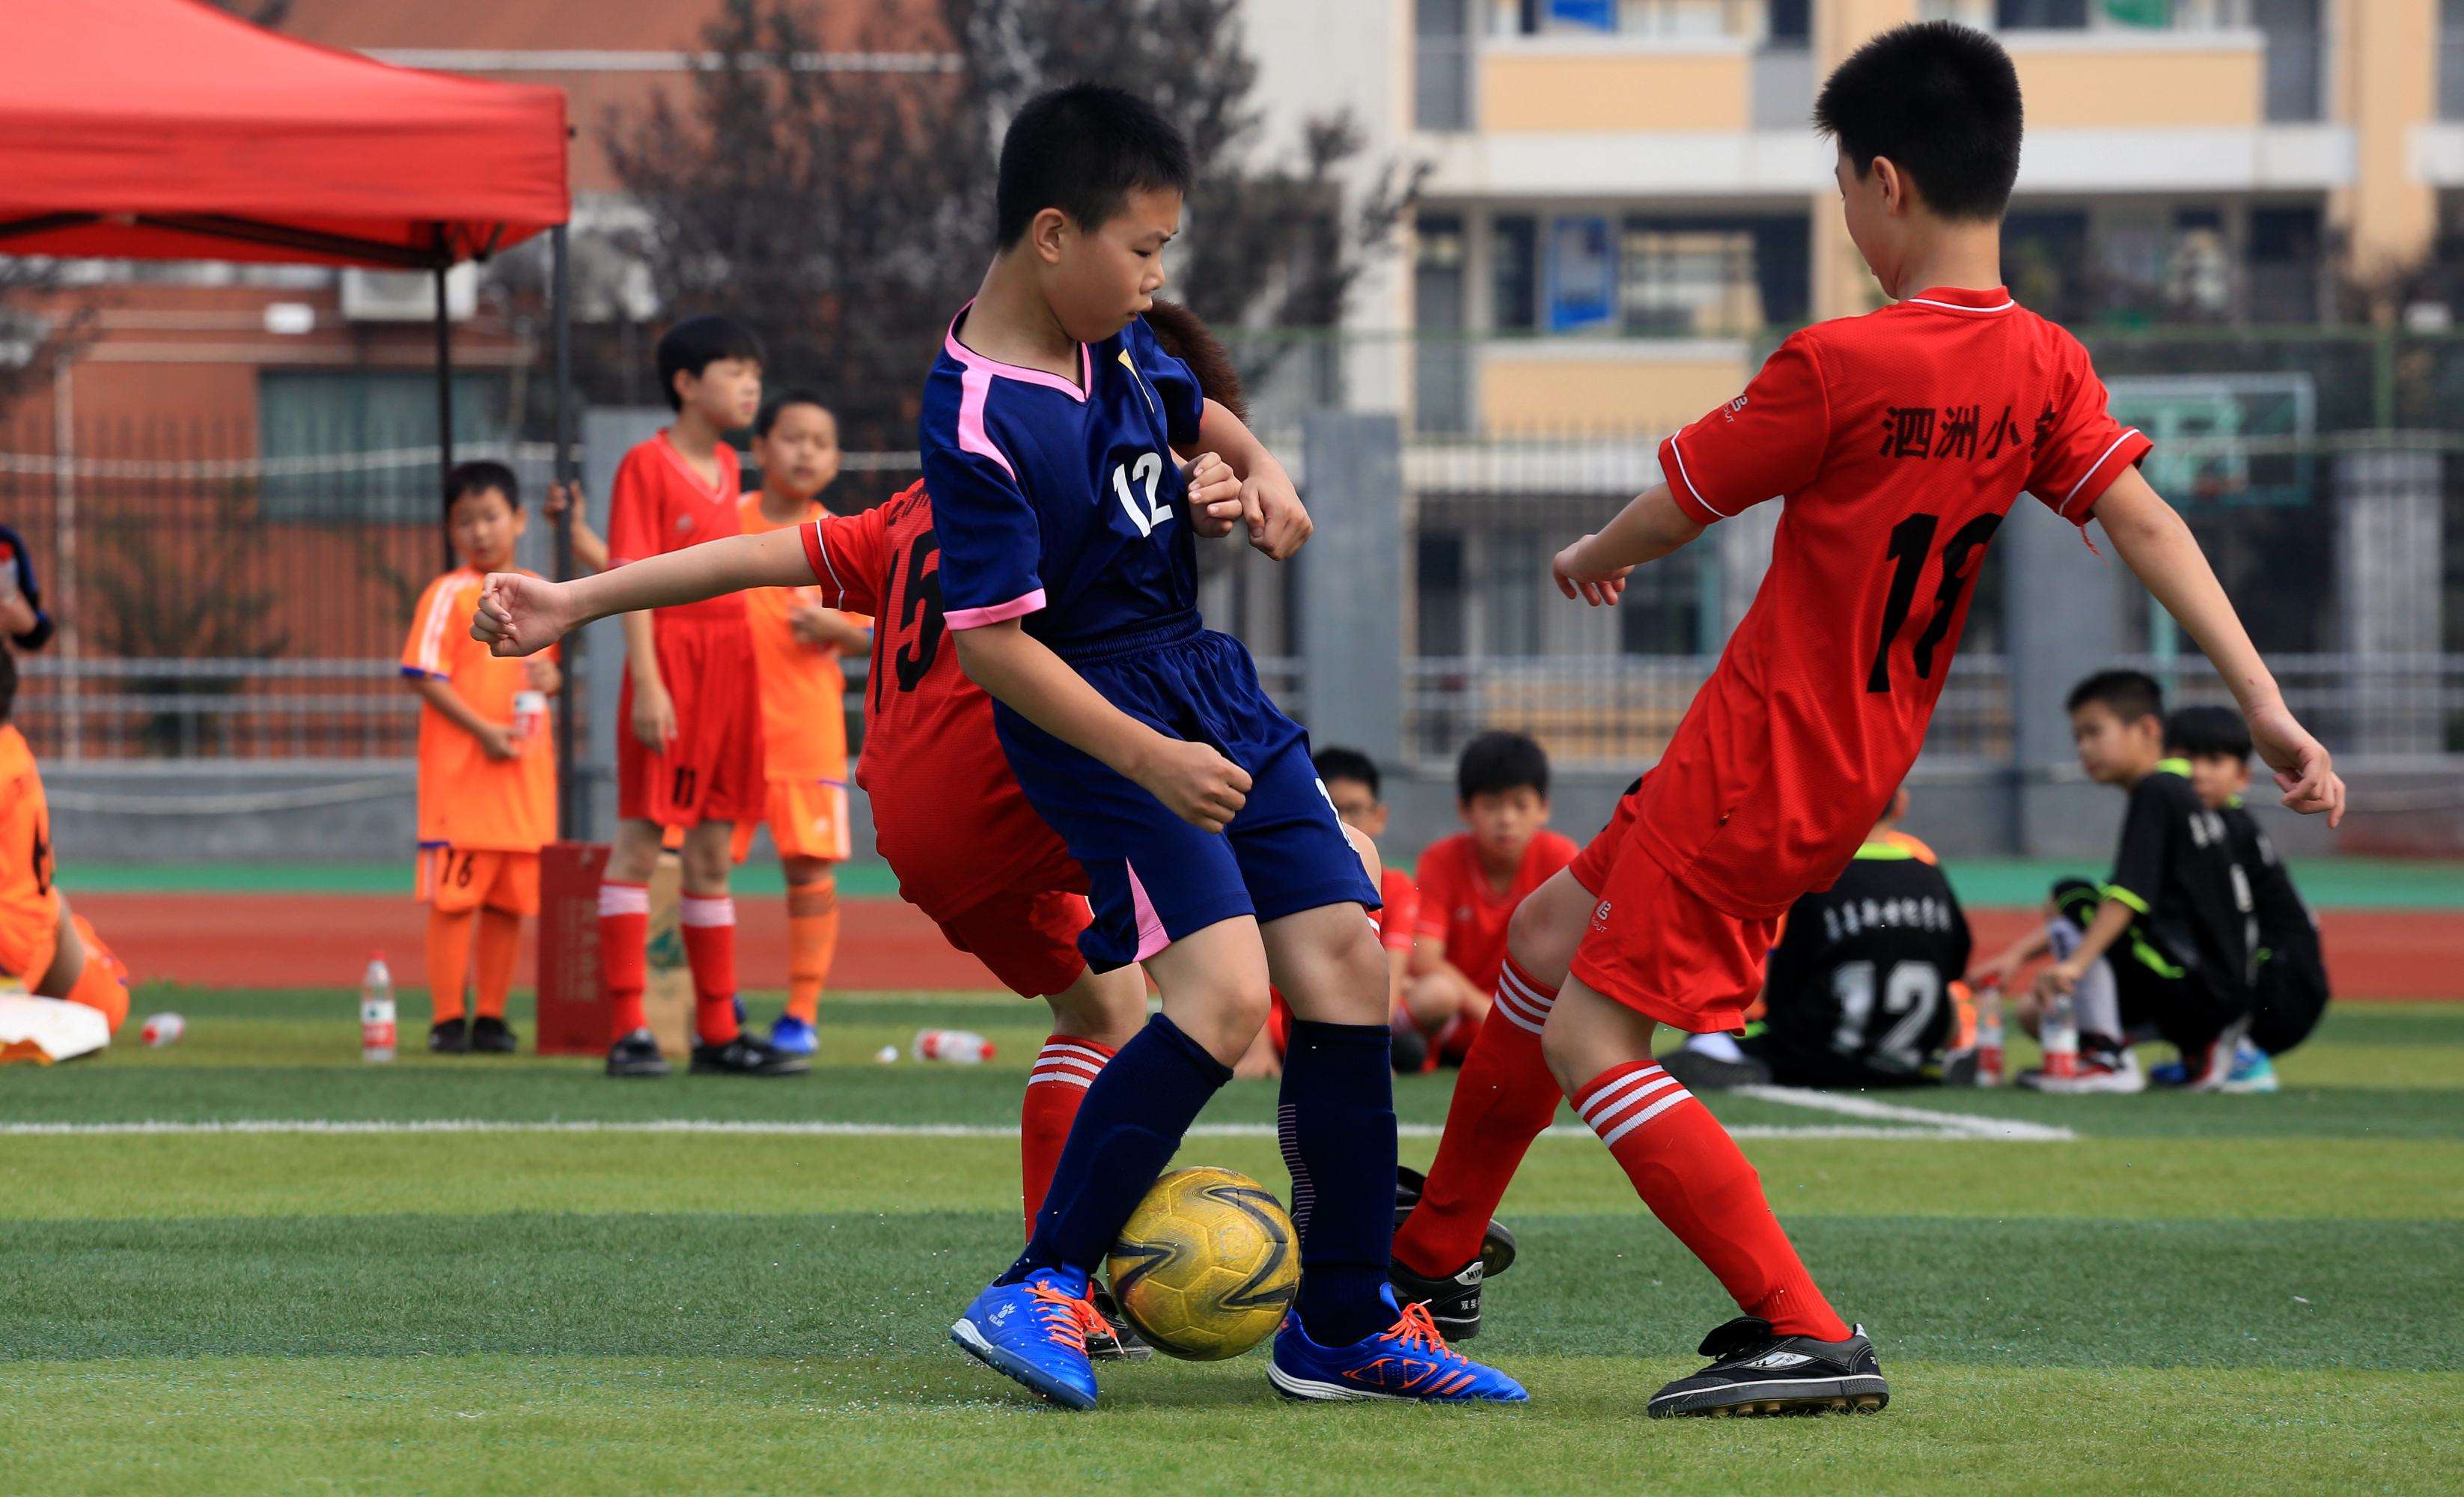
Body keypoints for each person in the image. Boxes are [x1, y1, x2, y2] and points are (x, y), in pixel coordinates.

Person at [1390, 22, 2344, 1415]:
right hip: (1842, 763)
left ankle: (1803, 1326)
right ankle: (1432, 1256)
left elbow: (1687, 497)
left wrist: (1596, 552)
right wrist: (2262, 704)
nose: (1844, 211)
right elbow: (2142, 517)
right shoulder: (2041, 367)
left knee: (1595, 1041)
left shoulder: (1840, 363)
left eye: (1840, 183)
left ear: (1882, 180)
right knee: (1544, 934)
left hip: (1755, 758)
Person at [474, 301, 1364, 1364]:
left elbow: (754, 554)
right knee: (1302, 909)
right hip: (1015, 783)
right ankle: (1303, 1245)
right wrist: (1208, 488)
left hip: (916, 818)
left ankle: (1065, 1285)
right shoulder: (1085, 473)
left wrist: (573, 601)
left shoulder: (922, 496)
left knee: (1099, 1010)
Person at [919, 85, 1519, 1409]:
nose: (1156, 280)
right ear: (1053, 236)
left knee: (1347, 963)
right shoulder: (974, 413)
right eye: (1143, 251)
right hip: (1098, 722)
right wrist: (1147, 760)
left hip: (1212, 686)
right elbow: (993, 649)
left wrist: (1260, 477)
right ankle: (1043, 1281)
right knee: (1225, 992)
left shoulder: (1119, 343)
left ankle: (1346, 1323)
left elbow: (1198, 419)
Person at [597, 316, 802, 1079]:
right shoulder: (643, 465)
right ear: (685, 383)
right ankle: (628, 1026)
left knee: (714, 850)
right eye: (734, 368)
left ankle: (717, 1029)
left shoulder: (726, 462)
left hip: (731, 661)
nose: (750, 383)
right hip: (673, 664)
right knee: (643, 840)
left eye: (754, 369)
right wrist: (648, 682)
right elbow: (630, 579)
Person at [1970, 673, 2264, 1093]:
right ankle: (2198, 1052)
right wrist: (2018, 956)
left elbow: (2127, 897)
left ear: (2147, 730)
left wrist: (2074, 964)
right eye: (2078, 737)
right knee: (2039, 1010)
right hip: (2219, 995)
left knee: (2067, 893)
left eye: (2094, 732)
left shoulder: (2156, 792)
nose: (2083, 748)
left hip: (2196, 992)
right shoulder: (2181, 792)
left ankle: (2107, 1056)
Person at [400, 461, 560, 1053]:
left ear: (517, 519)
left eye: (490, 516)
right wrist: (484, 732)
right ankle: (447, 1018)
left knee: (508, 903)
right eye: (464, 521)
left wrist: (550, 679)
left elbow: (545, 675)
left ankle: (491, 1015)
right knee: (455, 900)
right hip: (463, 784)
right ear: (450, 530)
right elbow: (423, 674)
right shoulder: (449, 593)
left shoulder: (540, 591)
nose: (479, 531)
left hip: (523, 784)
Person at [1663, 787, 1972, 1091]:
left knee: (1707, 1039)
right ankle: (1951, 1054)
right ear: (1900, 805)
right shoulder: (1931, 875)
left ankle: (1731, 1057)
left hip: (1814, 1057)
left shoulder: (1813, 876)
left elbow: (1778, 979)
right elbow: (1956, 966)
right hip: (1906, 1062)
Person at [731, 391, 870, 1057]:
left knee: (809, 872)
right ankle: (712, 996)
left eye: (820, 441)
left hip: (805, 733)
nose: (806, 451)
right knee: (697, 865)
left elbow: (889, 630)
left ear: (836, 459)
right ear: (759, 449)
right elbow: (641, 571)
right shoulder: (724, 519)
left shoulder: (842, 539)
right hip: (726, 733)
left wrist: (836, 628)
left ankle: (802, 1012)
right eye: (792, 437)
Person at [1242, 746, 1423, 1079]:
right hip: (1276, 1019)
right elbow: (1246, 967)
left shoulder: (1397, 886)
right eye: (1333, 809)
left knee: (1431, 999)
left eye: (1354, 810)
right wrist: (1259, 1048)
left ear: (1379, 817)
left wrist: (1374, 1046)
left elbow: (1390, 974)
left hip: (1346, 1018)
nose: (1345, 823)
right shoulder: (1278, 876)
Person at [2168, 703, 2328, 1069]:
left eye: (2213, 761)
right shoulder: (2208, 823)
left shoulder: (2228, 829)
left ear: (2242, 776)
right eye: (2187, 760)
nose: (2198, 773)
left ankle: (2239, 1052)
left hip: (2286, 984)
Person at [1405, 731, 1576, 1070]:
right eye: (1492, 805)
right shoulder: (1440, 860)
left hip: (1528, 1016)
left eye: (1520, 804)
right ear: (1465, 810)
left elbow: (1577, 955)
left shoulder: (1561, 858)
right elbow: (1424, 959)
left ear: (1543, 809)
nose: (1506, 819)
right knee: (1435, 996)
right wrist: (1486, 1009)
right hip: (1461, 1014)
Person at [0, 650, 129, 1034]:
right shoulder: (13, 748)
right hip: (33, 929)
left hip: (15, 946)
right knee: (107, 1001)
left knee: (106, 1004)